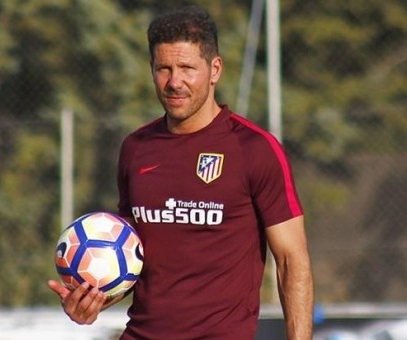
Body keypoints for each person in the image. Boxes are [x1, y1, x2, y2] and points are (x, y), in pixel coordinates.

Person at [47, 5, 313, 339]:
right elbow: (132, 259)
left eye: (187, 68)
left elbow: (292, 261)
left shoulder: (254, 150)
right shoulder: (136, 148)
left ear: (215, 70)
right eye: (164, 69)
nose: (174, 82)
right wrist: (93, 301)